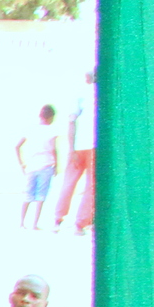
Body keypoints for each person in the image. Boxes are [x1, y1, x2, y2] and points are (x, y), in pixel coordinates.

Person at [53, 76, 97, 233]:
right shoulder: (104, 93)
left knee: (69, 183)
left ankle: (57, 219)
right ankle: (80, 223)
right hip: (94, 146)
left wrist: (71, 149)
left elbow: (71, 121)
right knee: (91, 186)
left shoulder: (80, 93)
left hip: (79, 145)